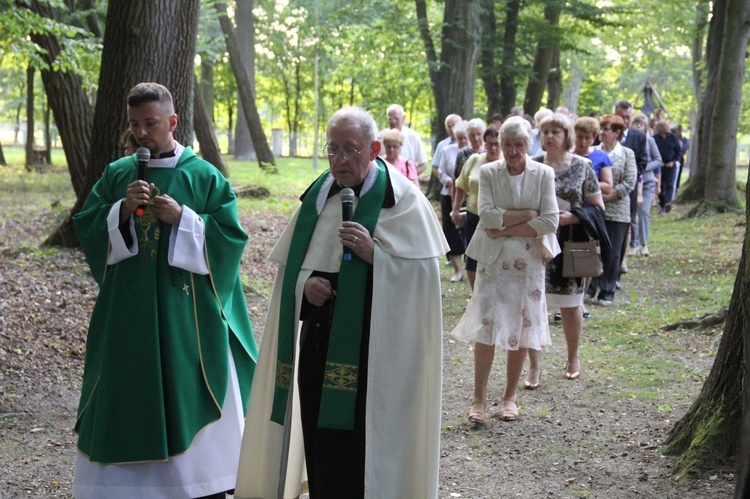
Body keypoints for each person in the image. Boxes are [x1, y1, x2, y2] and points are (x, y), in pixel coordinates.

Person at [234, 107, 447, 499]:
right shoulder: (317, 198)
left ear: (375, 148)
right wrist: (306, 287)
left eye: (351, 149)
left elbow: (423, 285)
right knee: (321, 440)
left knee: (363, 447)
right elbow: (290, 275)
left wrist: (375, 256)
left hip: (378, 353)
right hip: (320, 343)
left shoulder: (404, 202)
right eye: (333, 149)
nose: (340, 160)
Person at [72, 82, 258, 499]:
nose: (141, 133)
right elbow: (87, 226)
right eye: (135, 124)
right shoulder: (118, 174)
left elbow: (230, 240)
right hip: (128, 313)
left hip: (185, 318)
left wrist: (185, 218)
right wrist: (119, 209)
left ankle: (197, 483)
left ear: (172, 122)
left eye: (150, 124)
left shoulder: (203, 175)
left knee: (186, 389)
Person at [451, 117, 559, 423]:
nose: (512, 151)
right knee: (486, 328)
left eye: (519, 145)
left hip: (529, 262)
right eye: (507, 145)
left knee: (522, 327)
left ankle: (509, 398)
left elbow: (550, 220)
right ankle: (479, 399)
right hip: (493, 260)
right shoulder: (487, 172)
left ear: (528, 145)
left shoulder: (544, 174)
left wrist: (506, 224)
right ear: (500, 145)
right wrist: (527, 215)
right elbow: (486, 215)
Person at [532, 113, 607, 381]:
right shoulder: (532, 165)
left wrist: (573, 216)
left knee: (571, 303)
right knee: (533, 303)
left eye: (555, 131)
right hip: (536, 241)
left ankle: (573, 357)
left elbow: (599, 208)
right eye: (545, 132)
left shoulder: (583, 166)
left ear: (567, 137)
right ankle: (534, 366)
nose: (549, 136)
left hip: (571, 241)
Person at [588, 115, 637, 306]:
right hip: (594, 210)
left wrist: (609, 196)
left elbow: (629, 181)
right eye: (600, 129)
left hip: (618, 211)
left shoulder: (626, 154)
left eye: (606, 129)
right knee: (593, 249)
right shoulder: (594, 152)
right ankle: (590, 287)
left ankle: (607, 290)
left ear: (617, 133)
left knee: (613, 251)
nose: (601, 133)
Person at [451, 127, 503, 290]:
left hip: (498, 217)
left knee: (495, 257)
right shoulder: (474, 160)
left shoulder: (506, 164)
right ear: (484, 144)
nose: (493, 148)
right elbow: (460, 185)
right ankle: (476, 294)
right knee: (472, 257)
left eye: (497, 144)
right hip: (474, 214)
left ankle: (494, 291)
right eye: (490, 144)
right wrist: (456, 208)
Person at [572, 116, 613, 319]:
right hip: (568, 213)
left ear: (594, 137)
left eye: (587, 138)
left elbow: (607, 185)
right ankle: (567, 302)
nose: (582, 142)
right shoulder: (568, 156)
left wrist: (587, 182)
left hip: (589, 215)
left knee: (586, 259)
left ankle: (580, 301)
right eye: (579, 137)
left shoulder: (600, 157)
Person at [613, 100, 648, 273]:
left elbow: (643, 161)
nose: (625, 120)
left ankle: (622, 259)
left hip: (629, 188)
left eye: (628, 117)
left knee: (626, 223)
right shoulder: (605, 133)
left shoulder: (639, 137)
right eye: (621, 116)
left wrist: (628, 175)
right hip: (607, 187)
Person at [438, 121, 470, 282]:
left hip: (470, 196)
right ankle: (458, 270)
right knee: (451, 230)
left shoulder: (474, 153)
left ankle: (470, 266)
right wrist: (449, 181)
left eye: (465, 138)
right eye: (459, 138)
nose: (462, 142)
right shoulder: (447, 151)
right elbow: (440, 171)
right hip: (449, 193)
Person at [630, 113, 663, 256]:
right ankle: (634, 244)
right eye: (636, 123)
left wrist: (644, 167)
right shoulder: (628, 141)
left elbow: (658, 160)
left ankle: (644, 244)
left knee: (643, 211)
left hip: (648, 181)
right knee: (632, 214)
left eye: (641, 124)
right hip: (633, 181)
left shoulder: (649, 141)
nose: (638, 126)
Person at [378, 103, 428, 174]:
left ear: (403, 118)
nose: (393, 121)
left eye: (396, 118)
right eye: (390, 119)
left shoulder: (413, 137)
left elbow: (423, 164)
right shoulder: (380, 136)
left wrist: (409, 176)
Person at [653, 119, 682, 213]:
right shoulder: (655, 138)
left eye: (668, 126)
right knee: (660, 185)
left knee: (670, 183)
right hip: (659, 165)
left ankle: (668, 202)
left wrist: (673, 161)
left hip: (670, 165)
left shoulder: (673, 137)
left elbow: (678, 151)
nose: (667, 128)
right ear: (660, 127)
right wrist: (657, 162)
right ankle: (662, 203)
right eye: (665, 126)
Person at [431, 113, 462, 179]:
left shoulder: (470, 143)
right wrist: (446, 180)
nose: (452, 128)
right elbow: (435, 167)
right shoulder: (442, 145)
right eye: (449, 126)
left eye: (454, 125)